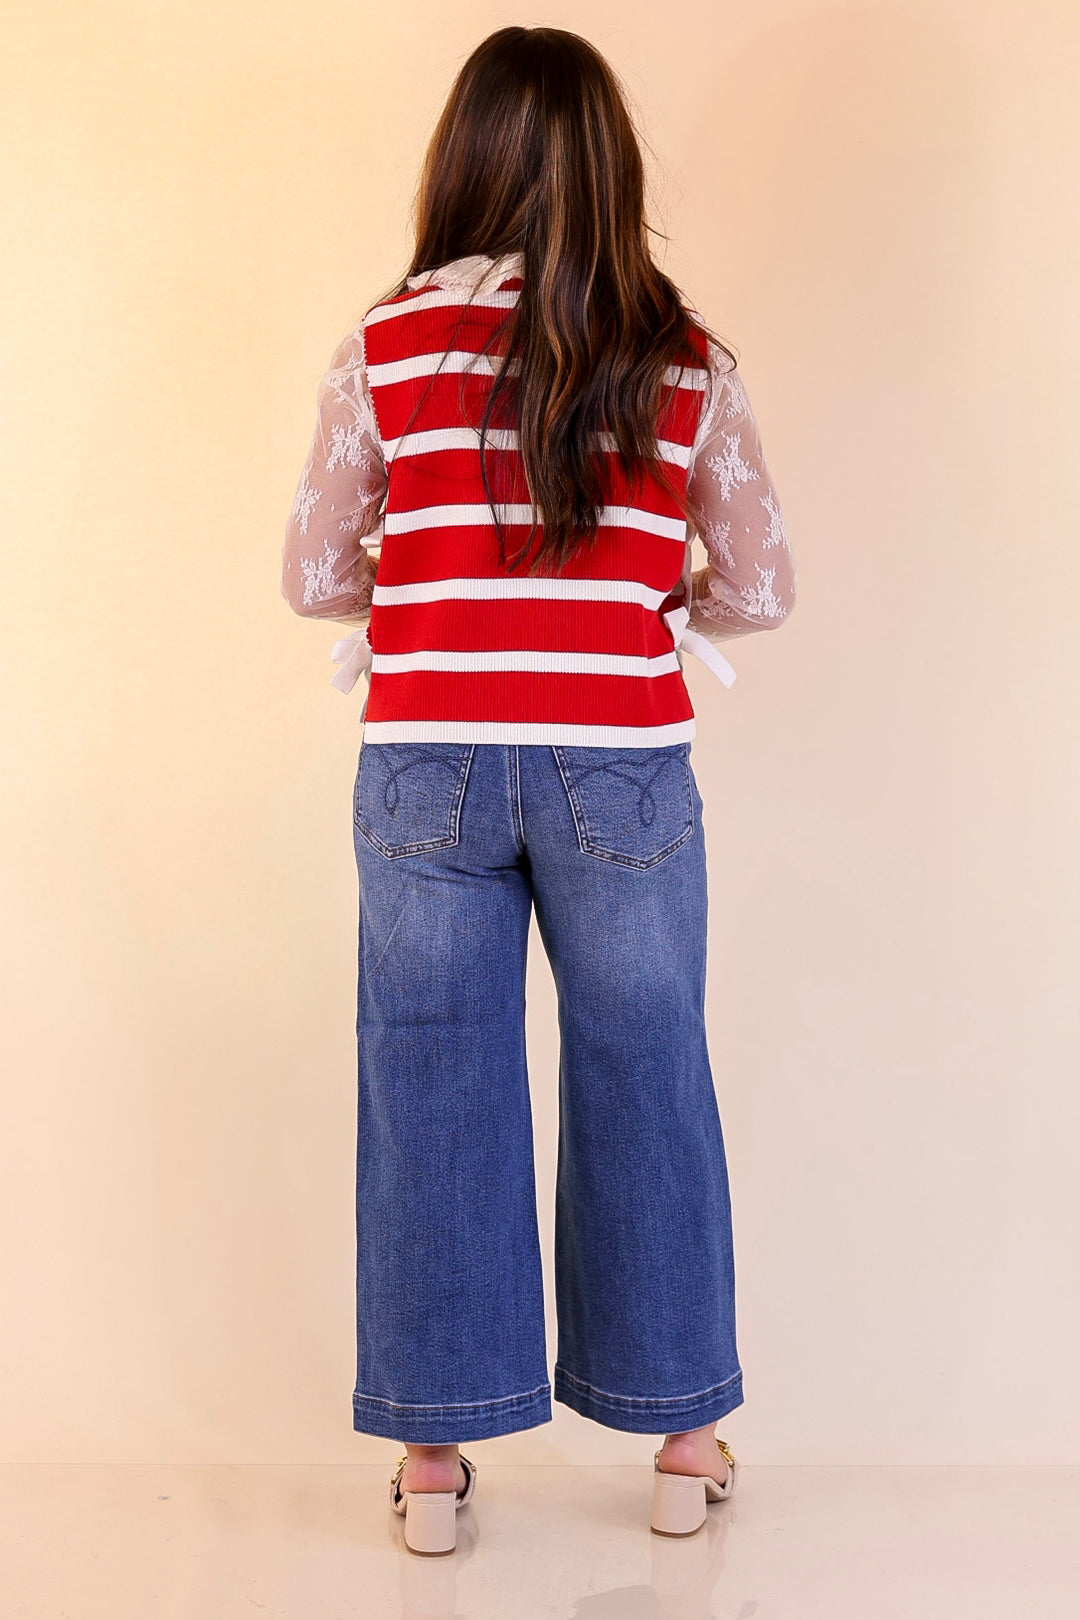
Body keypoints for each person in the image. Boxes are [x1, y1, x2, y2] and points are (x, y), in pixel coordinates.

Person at [281, 24, 796, 1555]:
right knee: (648, 1073)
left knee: (429, 1078)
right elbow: (762, 587)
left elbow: (313, 574)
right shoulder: (686, 357)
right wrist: (662, 586)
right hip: (621, 771)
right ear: (614, 175)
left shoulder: (383, 351)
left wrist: (435, 580)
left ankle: (434, 1466)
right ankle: (684, 1440)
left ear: (465, 163)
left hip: (423, 762)